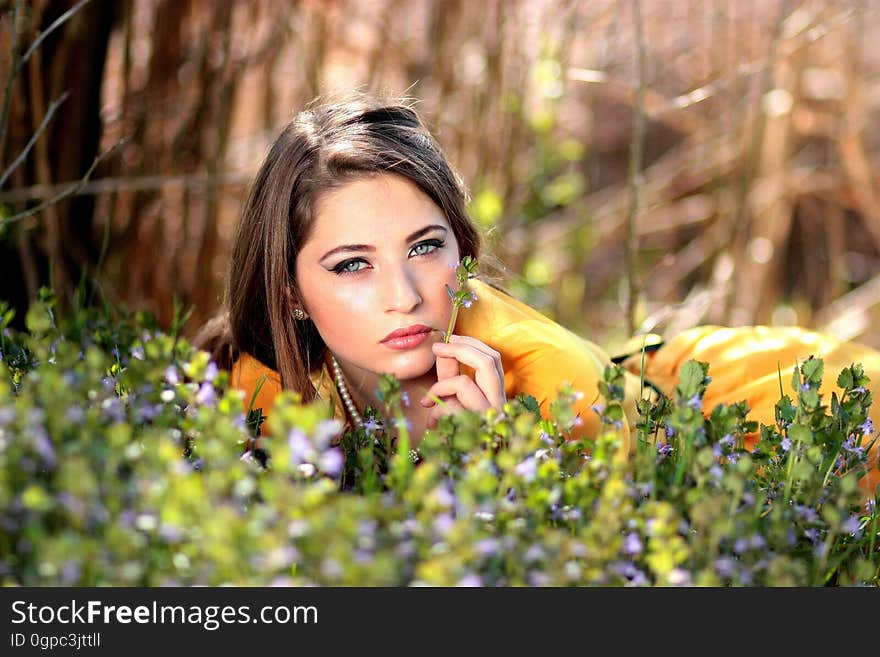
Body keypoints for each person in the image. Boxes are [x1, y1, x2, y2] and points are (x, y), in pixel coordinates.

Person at [195, 93, 879, 494]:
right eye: (352, 265)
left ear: (463, 251)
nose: (402, 295)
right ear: (289, 292)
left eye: (424, 247)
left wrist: (492, 465)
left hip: (785, 417)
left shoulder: (550, 382)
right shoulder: (258, 386)